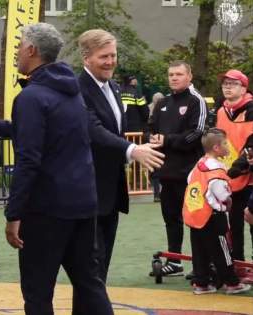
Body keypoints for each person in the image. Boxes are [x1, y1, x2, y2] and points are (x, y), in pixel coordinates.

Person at [0, 23, 113, 315]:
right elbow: (57, 132)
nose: (17, 52)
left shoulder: (31, 97)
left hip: (47, 209)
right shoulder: (72, 91)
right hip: (83, 202)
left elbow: (29, 159)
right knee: (89, 283)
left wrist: (14, 213)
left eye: (20, 45)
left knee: (38, 292)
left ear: (32, 50)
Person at [77, 29, 164, 282]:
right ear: (86, 58)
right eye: (104, 56)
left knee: (101, 268)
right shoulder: (77, 89)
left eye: (113, 55)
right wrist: (132, 150)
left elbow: (115, 130)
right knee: (90, 269)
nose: (111, 61)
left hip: (111, 190)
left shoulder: (114, 88)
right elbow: (92, 129)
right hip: (88, 190)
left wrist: (131, 152)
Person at [148, 60, 207, 276]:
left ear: (189, 76)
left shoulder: (196, 101)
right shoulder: (163, 102)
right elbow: (152, 129)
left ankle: (203, 263)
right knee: (171, 218)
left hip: (190, 173)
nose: (174, 77)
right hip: (167, 172)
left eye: (179, 74)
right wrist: (153, 139)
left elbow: (196, 134)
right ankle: (175, 262)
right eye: (171, 74)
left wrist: (167, 140)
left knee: (195, 218)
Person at [183, 128, 252, 295]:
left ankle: (201, 283)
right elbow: (222, 194)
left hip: (196, 214)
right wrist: (227, 199)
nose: (228, 146)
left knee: (199, 250)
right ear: (216, 148)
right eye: (225, 143)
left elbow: (189, 179)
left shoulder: (200, 164)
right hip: (213, 216)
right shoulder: (217, 171)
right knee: (222, 250)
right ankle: (232, 283)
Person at [215, 69, 253, 263]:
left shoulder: (252, 109)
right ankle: (237, 262)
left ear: (244, 88)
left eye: (233, 84)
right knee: (234, 223)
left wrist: (240, 166)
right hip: (228, 177)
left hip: (250, 176)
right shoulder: (222, 111)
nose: (228, 87)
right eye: (225, 84)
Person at [149, 92, 166, 202]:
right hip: (159, 143)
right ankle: (158, 194)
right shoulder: (166, 109)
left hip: (158, 142)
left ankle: (158, 194)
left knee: (156, 171)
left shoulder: (149, 109)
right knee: (158, 170)